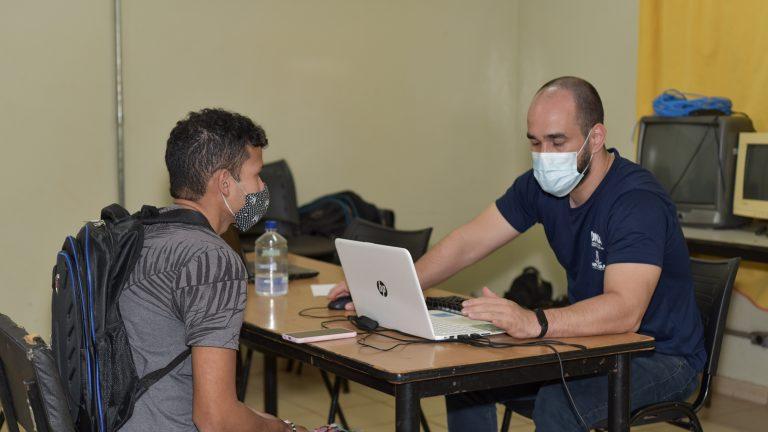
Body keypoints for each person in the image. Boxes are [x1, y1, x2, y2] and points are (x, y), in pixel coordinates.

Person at [328, 77, 705, 431]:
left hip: (660, 356)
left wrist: (534, 322)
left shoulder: (636, 202)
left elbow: (626, 310)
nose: (544, 156)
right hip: (588, 344)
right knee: (465, 378)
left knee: (557, 403)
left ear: (595, 138)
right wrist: (388, 287)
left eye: (557, 142)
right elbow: (467, 242)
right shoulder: (540, 188)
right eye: (535, 142)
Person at [118, 108, 309, 431]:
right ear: (224, 183)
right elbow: (215, 419)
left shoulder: (141, 233)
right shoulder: (211, 259)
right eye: (256, 175)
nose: (262, 187)